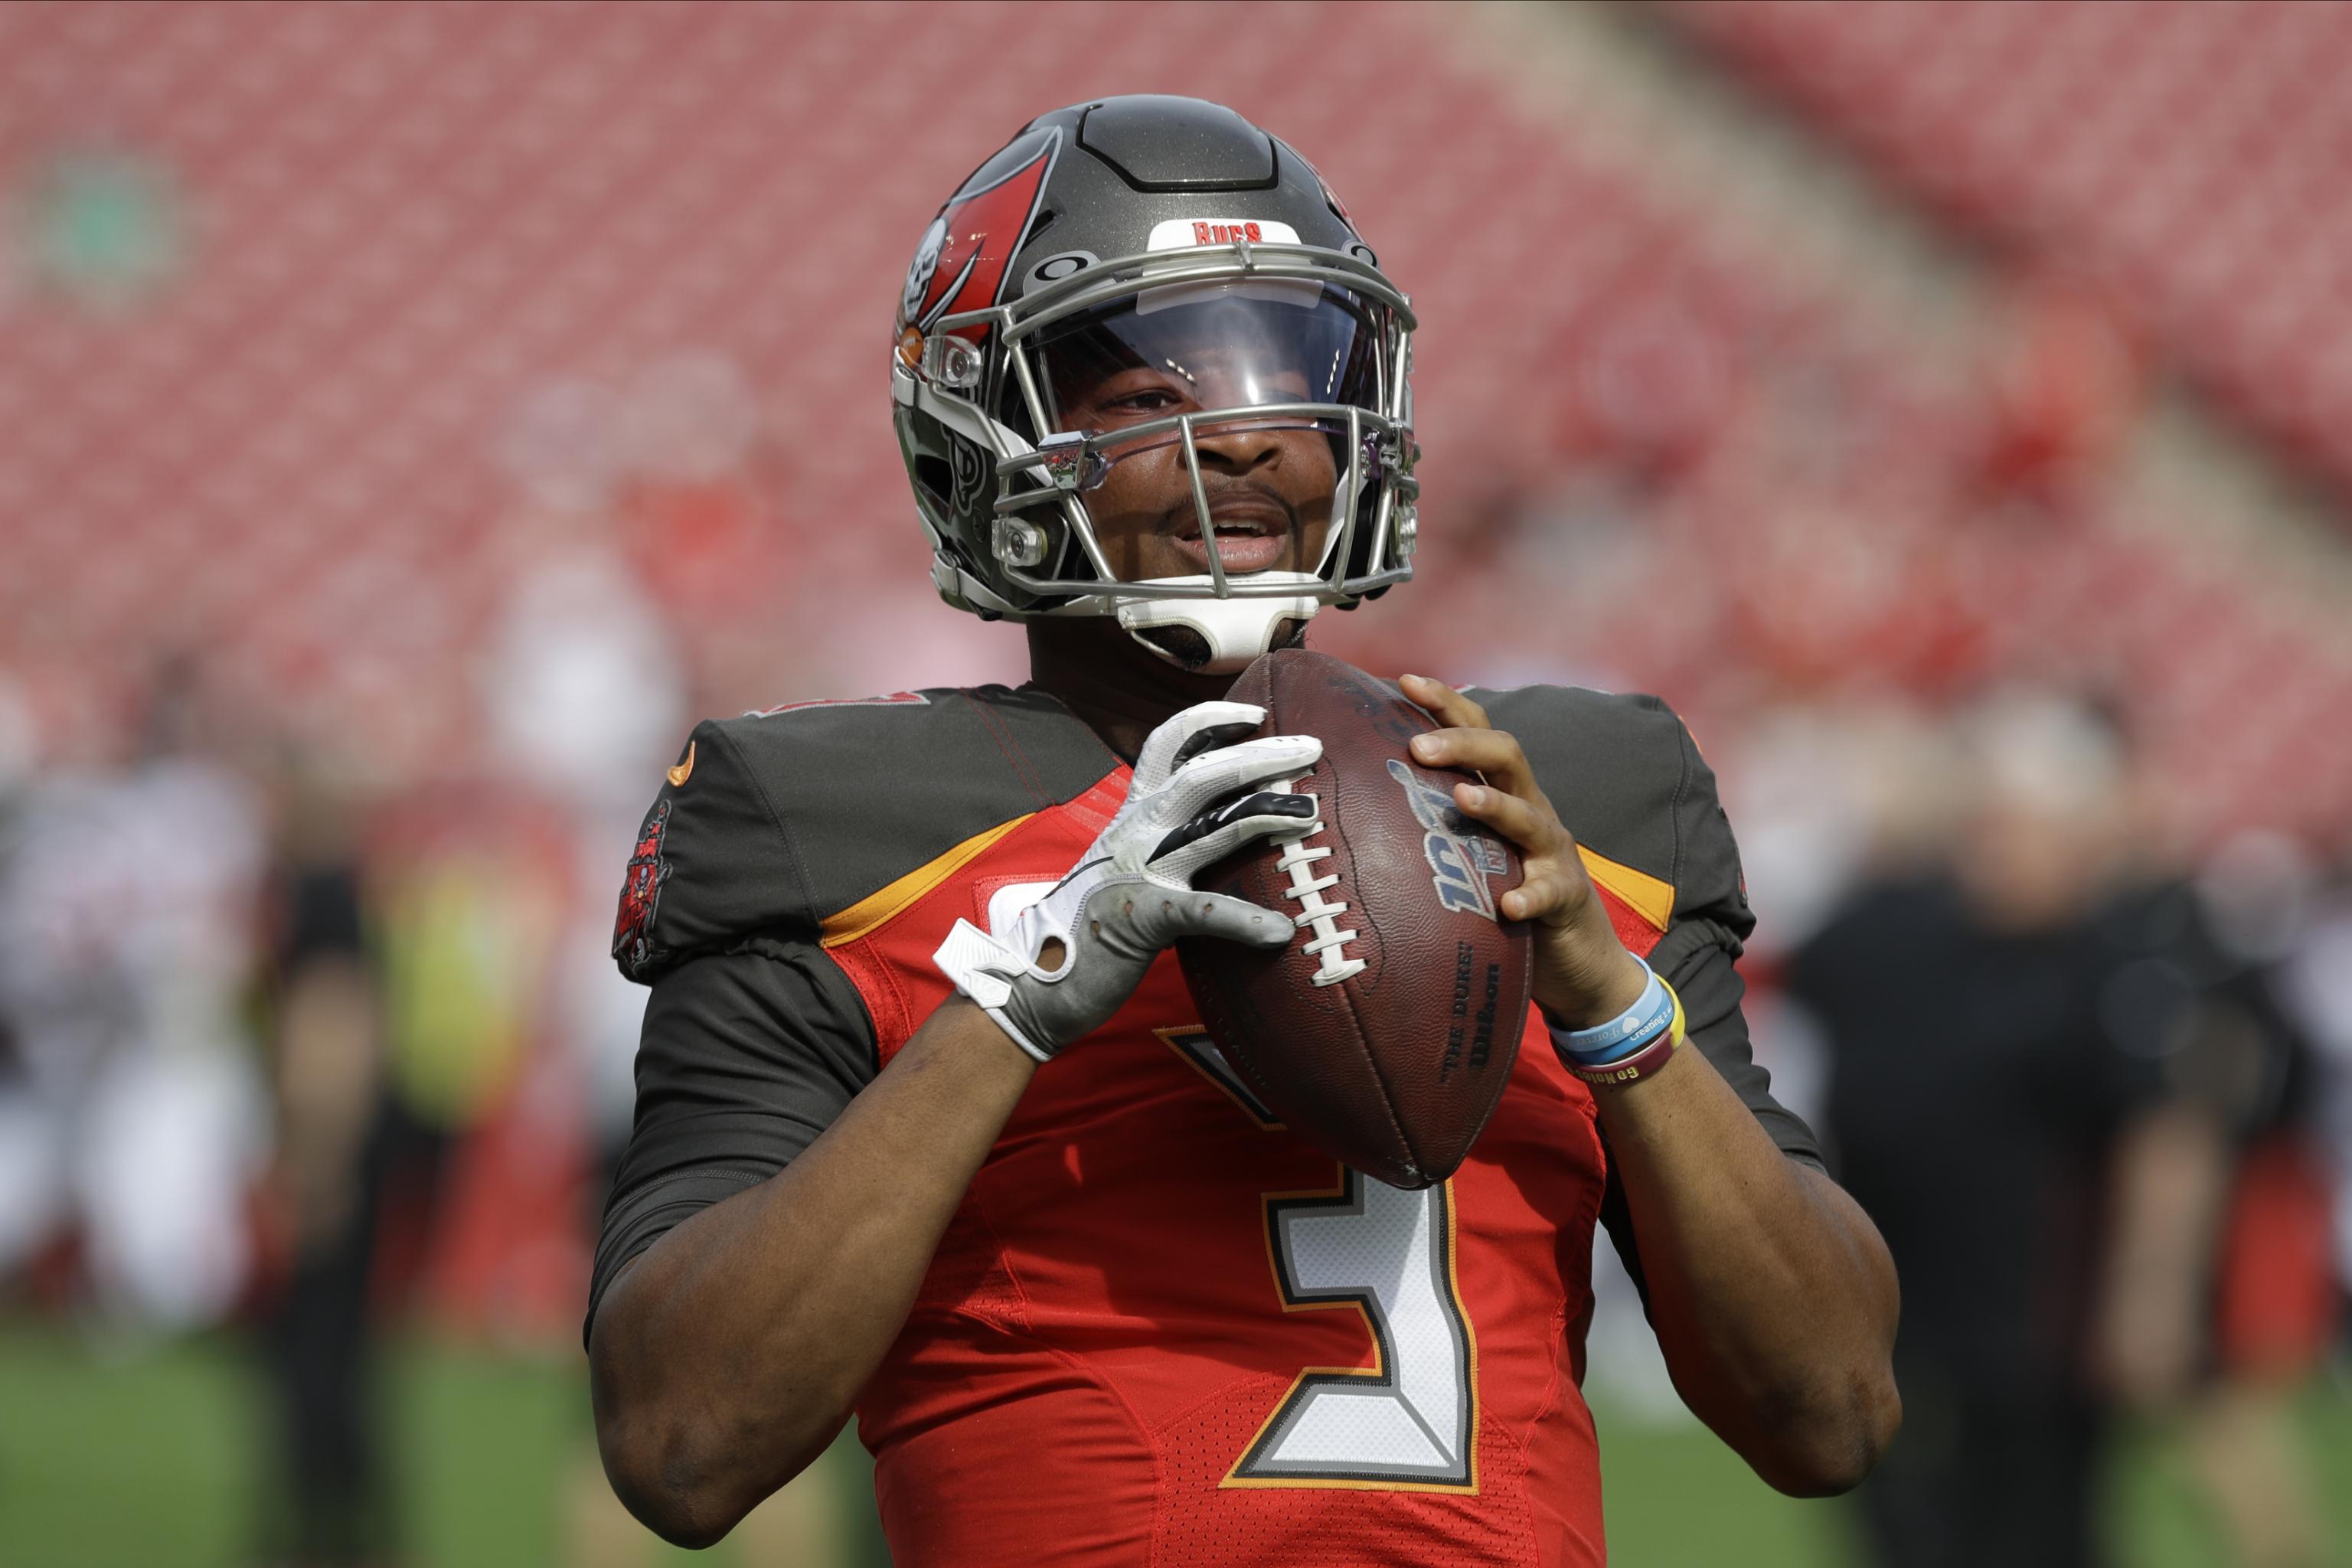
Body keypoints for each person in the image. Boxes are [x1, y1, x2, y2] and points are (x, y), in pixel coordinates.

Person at [585, 96, 1899, 1565]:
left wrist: (1611, 1007)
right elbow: (681, 1444)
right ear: (989, 433)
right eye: (1151, 395)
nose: (1250, 441)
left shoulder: (1574, 802)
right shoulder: (830, 828)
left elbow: (1832, 1413)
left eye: (1293, 373)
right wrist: (1013, 1007)